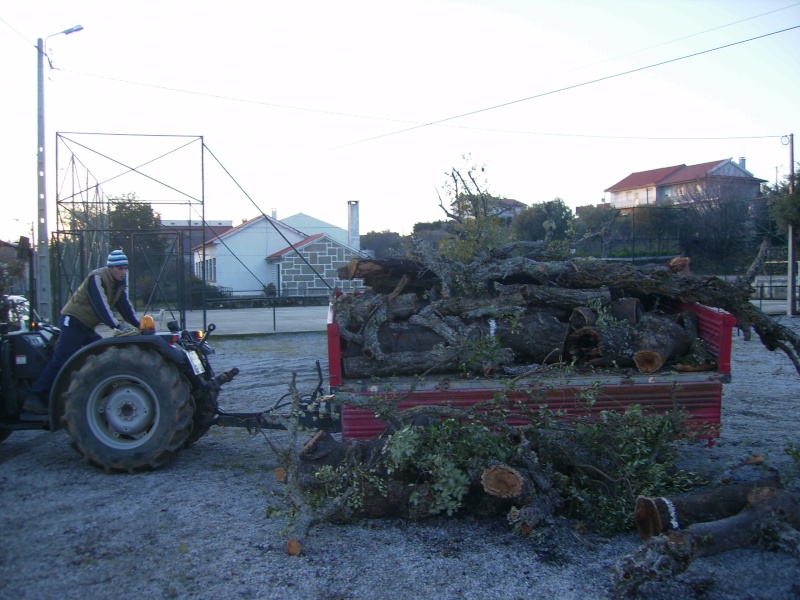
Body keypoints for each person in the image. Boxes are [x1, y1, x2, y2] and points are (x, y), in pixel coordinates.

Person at [23, 249, 141, 414]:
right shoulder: (97, 278)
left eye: (125, 268)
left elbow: (124, 307)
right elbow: (100, 306)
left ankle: (98, 391)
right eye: (120, 268)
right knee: (63, 358)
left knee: (102, 353)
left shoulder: (119, 284)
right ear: (111, 267)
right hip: (73, 321)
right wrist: (116, 325)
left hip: (86, 326)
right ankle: (35, 397)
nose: (123, 271)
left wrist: (140, 326)